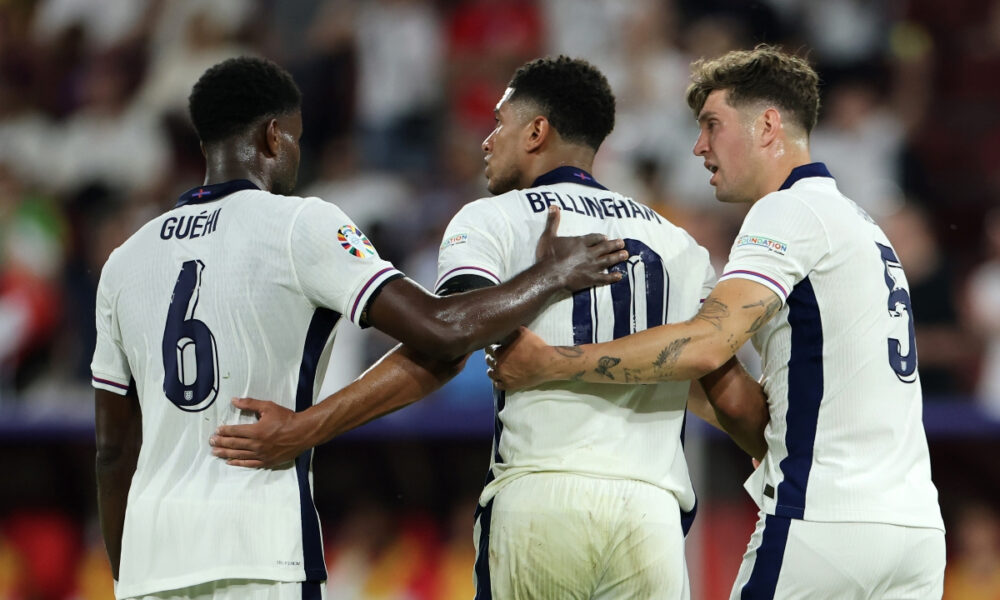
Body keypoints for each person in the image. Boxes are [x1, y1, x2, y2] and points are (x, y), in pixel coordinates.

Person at [210, 55, 767, 599]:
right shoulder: (679, 245)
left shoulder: (493, 218)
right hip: (652, 517)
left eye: (499, 122)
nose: (486, 139)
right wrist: (783, 457)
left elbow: (442, 346)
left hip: (541, 498)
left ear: (536, 131)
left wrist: (307, 428)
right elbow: (731, 395)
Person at [92, 56, 628, 600]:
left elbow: (112, 450)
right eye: (297, 138)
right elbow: (440, 329)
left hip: (148, 563)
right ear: (274, 136)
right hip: (256, 550)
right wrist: (550, 274)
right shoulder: (299, 224)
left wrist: (125, 574)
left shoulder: (124, 261)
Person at [488, 46, 946, 599]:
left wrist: (557, 362)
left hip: (823, 520)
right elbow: (755, 388)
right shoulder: (861, 223)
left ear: (769, 125)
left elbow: (707, 344)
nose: (699, 147)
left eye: (712, 125)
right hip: (916, 531)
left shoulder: (787, 210)